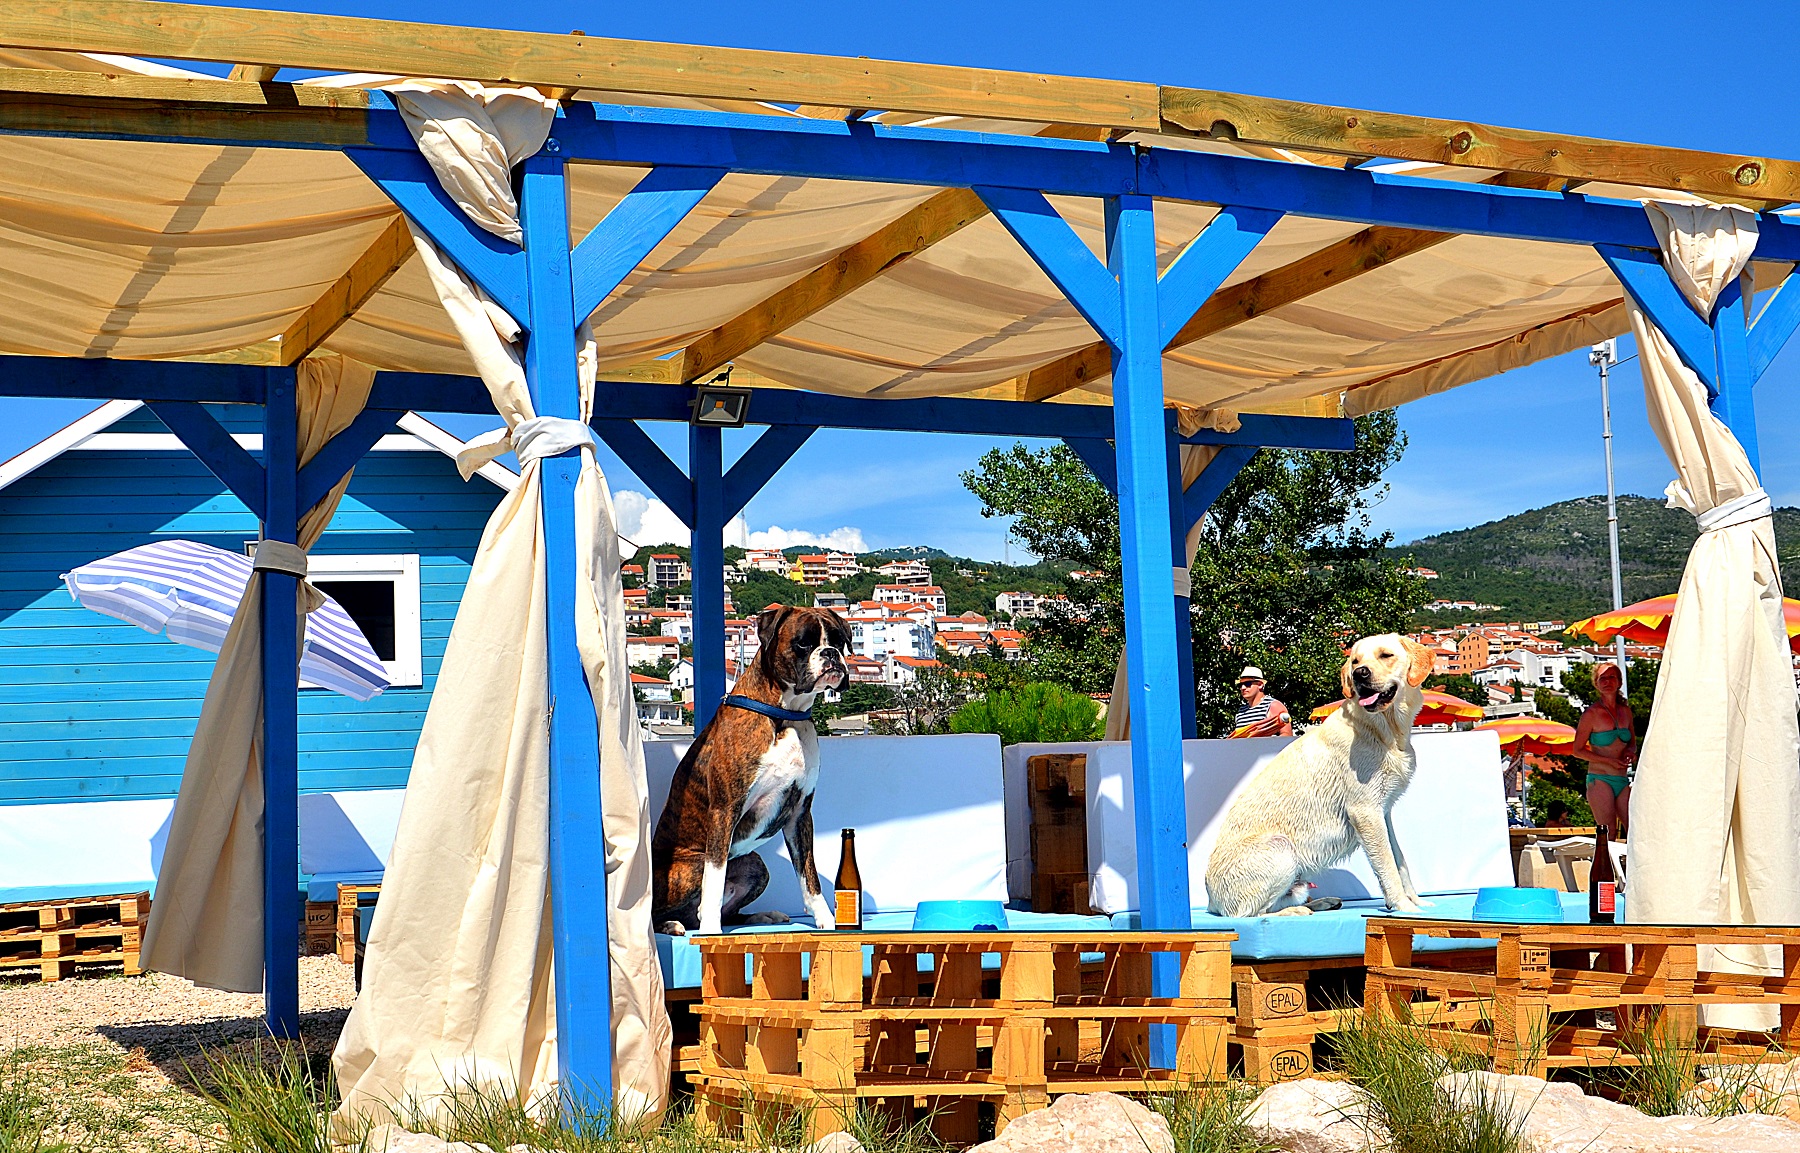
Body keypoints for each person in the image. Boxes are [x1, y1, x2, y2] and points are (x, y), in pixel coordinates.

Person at [1572, 661, 1634, 837]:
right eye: (1602, 678)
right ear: (1596, 684)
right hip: (1600, 779)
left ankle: (1630, 865)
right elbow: (1577, 750)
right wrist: (1609, 761)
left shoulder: (1625, 711)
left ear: (1619, 682)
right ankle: (1606, 865)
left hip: (1621, 779)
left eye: (1612, 677)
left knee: (1635, 829)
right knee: (1608, 832)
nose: (1607, 682)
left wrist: (1630, 752)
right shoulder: (1591, 714)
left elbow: (1632, 741)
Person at [1230, 666, 1293, 738]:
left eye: (1248, 684)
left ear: (1260, 685)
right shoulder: (1241, 711)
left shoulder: (1273, 705)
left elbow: (1287, 736)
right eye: (1240, 685)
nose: (1243, 688)